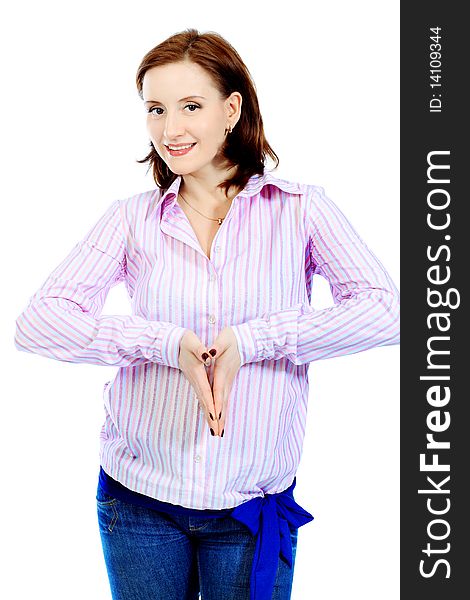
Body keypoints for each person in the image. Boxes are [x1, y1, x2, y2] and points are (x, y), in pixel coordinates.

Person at [14, 28, 400, 600]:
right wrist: (166, 344)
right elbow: (37, 322)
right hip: (139, 501)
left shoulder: (300, 211)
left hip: (250, 507)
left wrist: (254, 340)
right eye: (156, 109)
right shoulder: (130, 220)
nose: (171, 129)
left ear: (231, 109)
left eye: (191, 106)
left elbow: (386, 311)